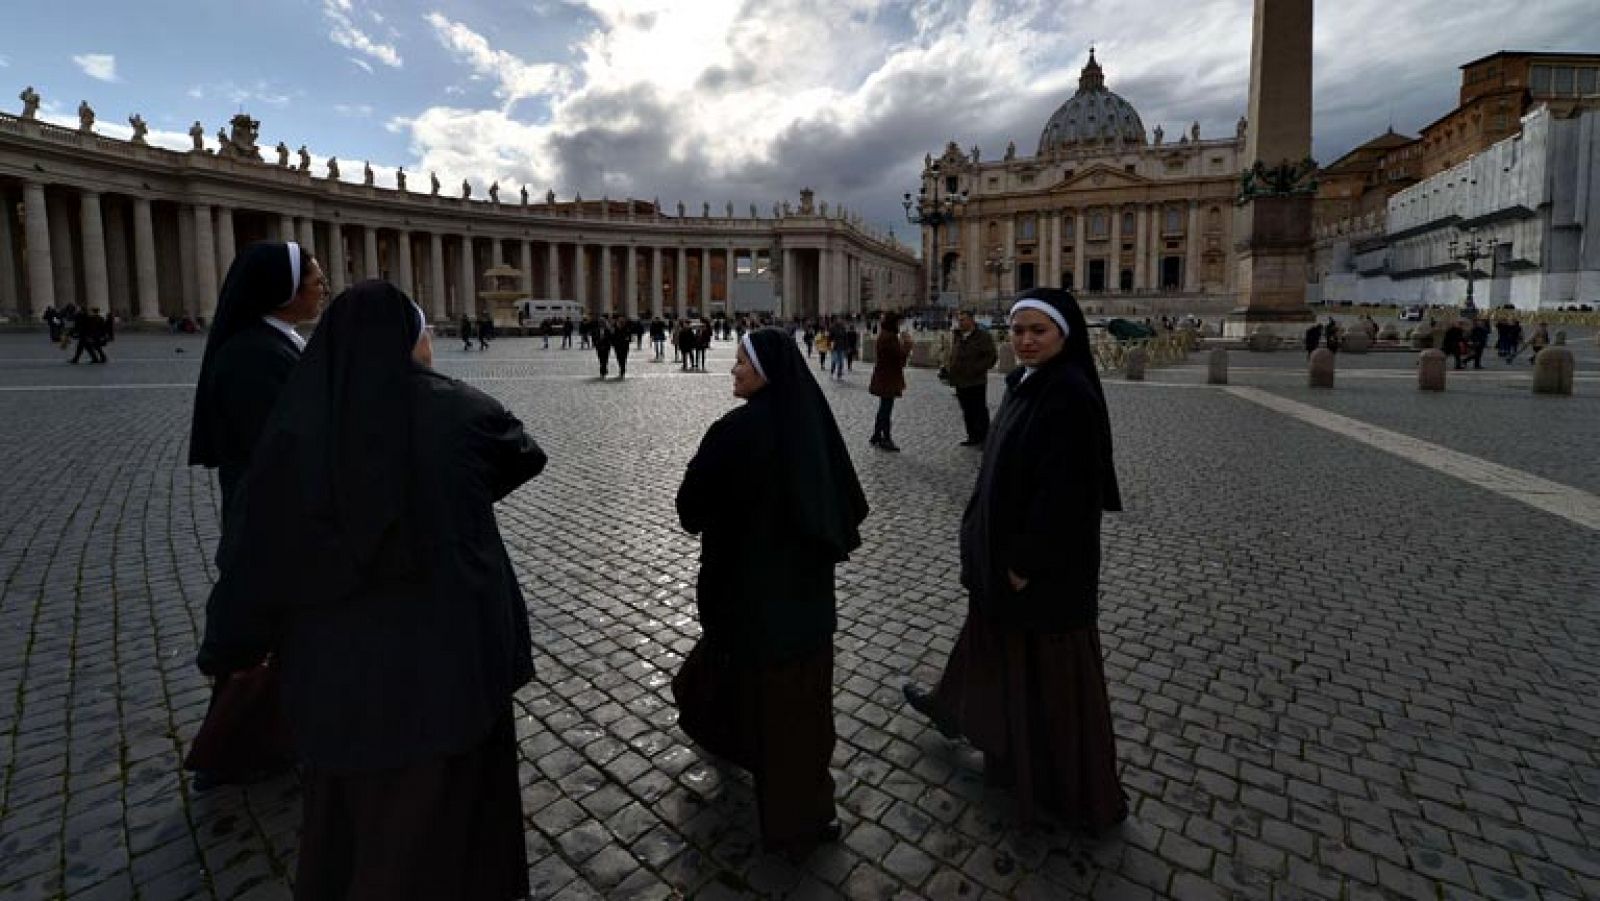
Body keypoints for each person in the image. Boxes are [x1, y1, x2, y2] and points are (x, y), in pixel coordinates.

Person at [199, 281, 546, 900]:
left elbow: (251, 559)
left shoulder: (291, 433)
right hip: (451, 668)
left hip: (338, 680)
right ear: (409, 340)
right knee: (454, 817)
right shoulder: (457, 411)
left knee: (352, 823)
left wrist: (231, 647)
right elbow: (522, 455)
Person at [902, 287, 1127, 833]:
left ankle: (1070, 788)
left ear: (1064, 336)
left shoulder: (1069, 395)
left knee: (1049, 676)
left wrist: (1024, 563)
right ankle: (959, 710)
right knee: (990, 640)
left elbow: (1067, 497)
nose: (1024, 341)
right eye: (1018, 330)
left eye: (1037, 331)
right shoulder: (1027, 381)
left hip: (1040, 574)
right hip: (1001, 558)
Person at [672, 327, 868, 854]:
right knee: (798, 711)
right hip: (804, 601)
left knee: (755, 687)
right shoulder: (814, 428)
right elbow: (849, 505)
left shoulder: (733, 431)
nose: (733, 369)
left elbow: (690, 508)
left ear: (765, 372)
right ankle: (790, 797)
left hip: (741, 594)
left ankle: (795, 823)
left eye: (741, 362)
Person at [186, 241, 327, 789]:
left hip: (271, 517)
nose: (322, 288)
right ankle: (231, 751)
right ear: (284, 292)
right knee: (261, 640)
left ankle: (267, 741)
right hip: (272, 522)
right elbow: (282, 449)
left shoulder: (267, 345)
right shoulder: (255, 356)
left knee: (273, 637)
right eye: (315, 280)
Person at [944, 310, 998, 446]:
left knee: (979, 409)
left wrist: (976, 369)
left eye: (963, 320)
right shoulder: (957, 336)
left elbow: (991, 356)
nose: (960, 323)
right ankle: (972, 436)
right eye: (959, 320)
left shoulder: (983, 336)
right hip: (959, 380)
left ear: (971, 320)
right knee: (966, 410)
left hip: (976, 380)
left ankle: (985, 438)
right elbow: (952, 354)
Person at [868, 311, 914, 452]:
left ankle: (876, 435)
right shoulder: (889, 337)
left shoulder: (886, 335)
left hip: (884, 376)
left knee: (884, 407)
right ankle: (885, 438)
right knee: (886, 409)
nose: (900, 325)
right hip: (888, 378)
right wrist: (907, 344)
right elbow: (899, 357)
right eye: (898, 322)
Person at [609, 313, 632, 378]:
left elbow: (630, 334)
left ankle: (622, 369)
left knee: (624, 357)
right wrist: (612, 343)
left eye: (622, 319)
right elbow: (612, 335)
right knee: (619, 357)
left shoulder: (627, 326)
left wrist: (628, 339)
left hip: (625, 344)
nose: (621, 320)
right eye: (620, 319)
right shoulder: (614, 326)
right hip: (617, 345)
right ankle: (621, 367)